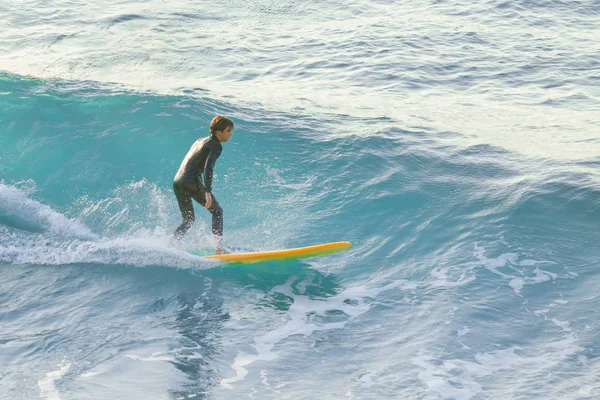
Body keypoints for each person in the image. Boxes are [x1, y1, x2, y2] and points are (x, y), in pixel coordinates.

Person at [173, 115, 233, 254]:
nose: (230, 134)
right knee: (217, 211)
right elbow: (208, 168)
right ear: (219, 131)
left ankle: (171, 245)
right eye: (228, 130)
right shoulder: (216, 145)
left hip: (178, 180)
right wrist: (207, 192)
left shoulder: (200, 140)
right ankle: (219, 249)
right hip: (190, 180)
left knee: (188, 220)